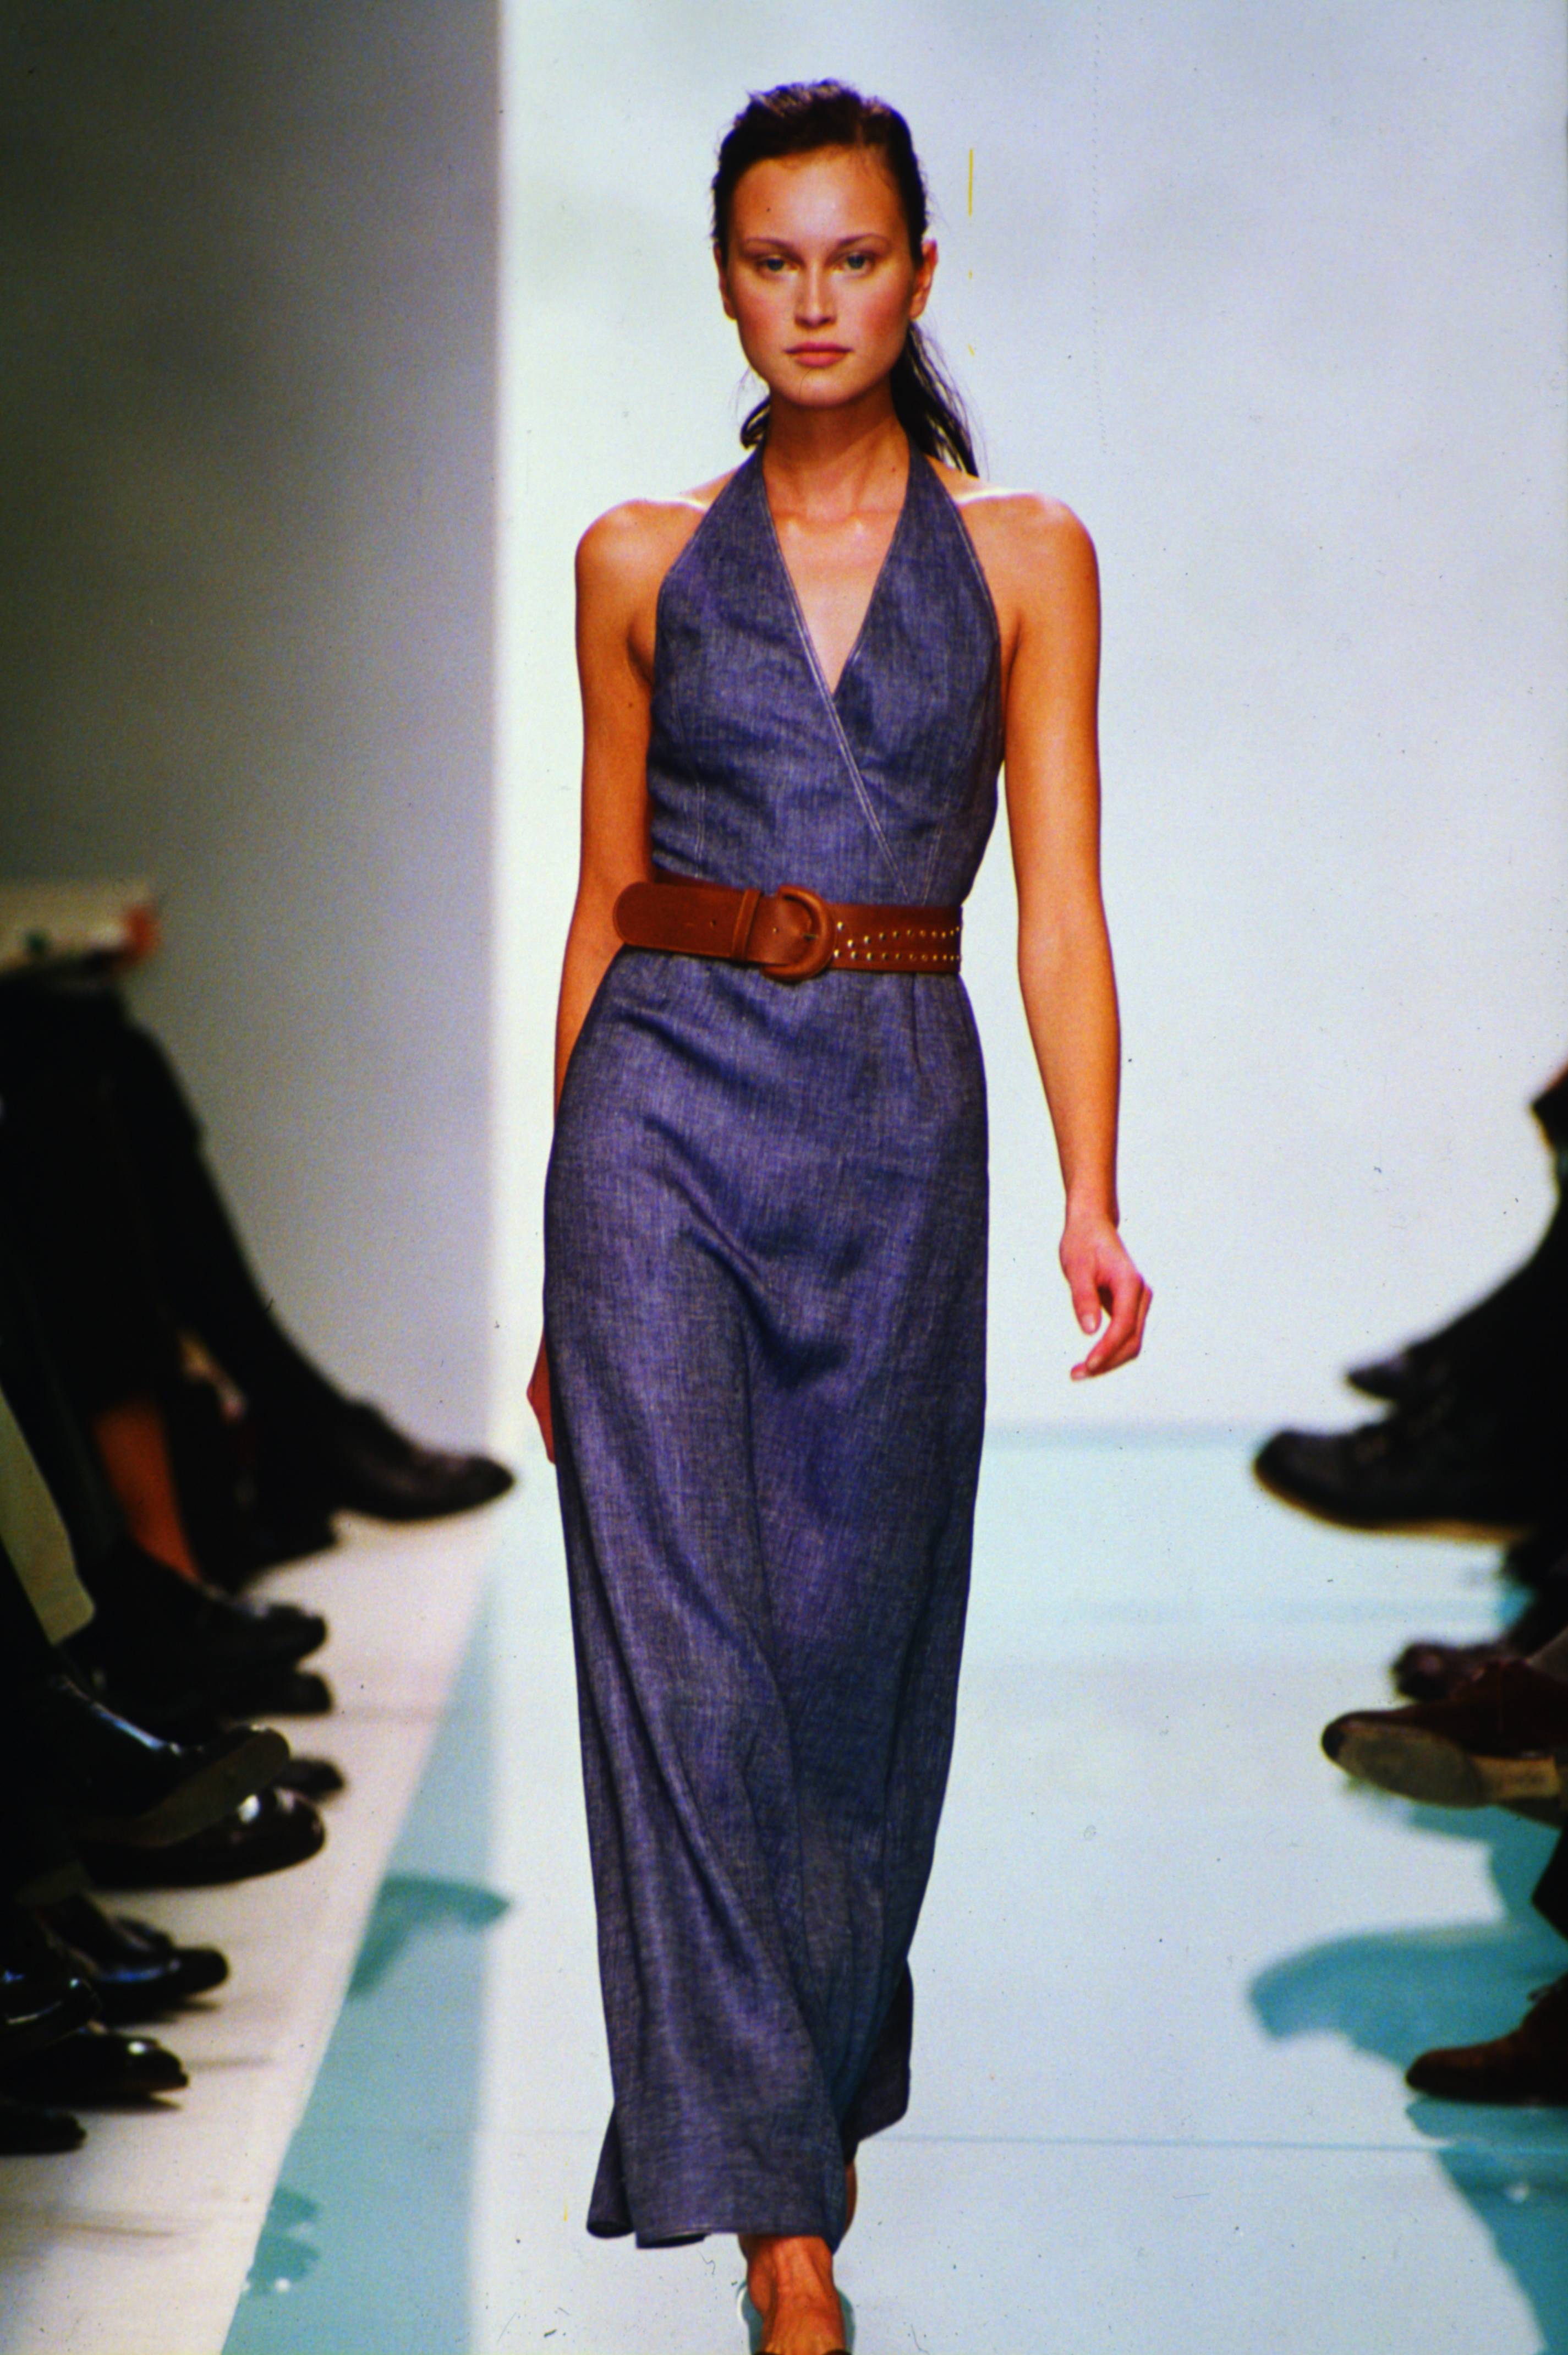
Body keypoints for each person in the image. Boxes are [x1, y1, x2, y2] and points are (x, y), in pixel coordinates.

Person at [530, 82, 1150, 2355]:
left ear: (916, 274)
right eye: (774, 260)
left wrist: (1091, 1191)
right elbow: (602, 898)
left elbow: (1056, 906)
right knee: (682, 1668)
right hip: (657, 1121)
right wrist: (555, 1250)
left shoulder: (1024, 557)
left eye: (855, 258)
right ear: (724, 281)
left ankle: (792, 2091)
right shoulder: (629, 559)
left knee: (849, 1674)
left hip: (894, 1121)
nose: (814, 300)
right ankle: (781, 2236)